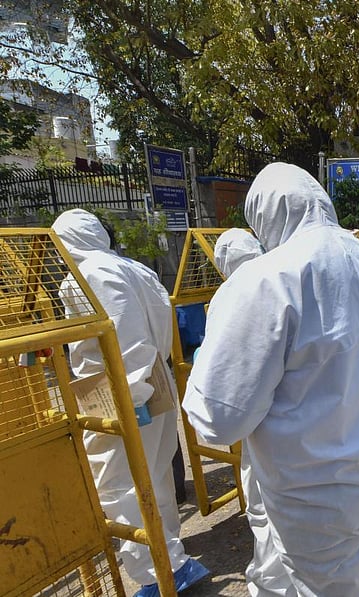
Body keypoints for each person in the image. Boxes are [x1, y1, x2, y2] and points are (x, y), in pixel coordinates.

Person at [182, 163, 359, 597]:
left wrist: (202, 373)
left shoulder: (264, 281)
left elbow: (219, 419)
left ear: (264, 216)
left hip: (318, 496)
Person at [52, 209, 209, 596]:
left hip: (117, 389)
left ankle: (158, 575)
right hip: (155, 378)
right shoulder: (134, 268)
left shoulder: (86, 274)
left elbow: (126, 336)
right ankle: (170, 557)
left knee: (118, 485)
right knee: (154, 477)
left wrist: (131, 400)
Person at [209, 229, 292, 597]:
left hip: (257, 425)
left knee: (264, 510)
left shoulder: (230, 294)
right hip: (299, 422)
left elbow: (225, 382)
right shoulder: (285, 277)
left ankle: (274, 586)